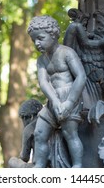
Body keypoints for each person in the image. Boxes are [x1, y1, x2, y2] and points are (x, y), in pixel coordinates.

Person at [27, 15, 86, 168]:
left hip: (70, 97)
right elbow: (43, 82)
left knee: (70, 134)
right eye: (34, 40)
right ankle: (39, 166)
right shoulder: (41, 60)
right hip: (52, 100)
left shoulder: (67, 53)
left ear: (53, 35)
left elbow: (81, 76)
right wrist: (54, 101)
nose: (37, 43)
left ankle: (77, 166)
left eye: (40, 38)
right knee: (39, 133)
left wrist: (69, 102)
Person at [8, 99, 42, 168]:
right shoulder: (49, 124)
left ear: (30, 117)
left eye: (23, 118)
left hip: (37, 167)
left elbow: (24, 157)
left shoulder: (29, 129)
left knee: (12, 161)